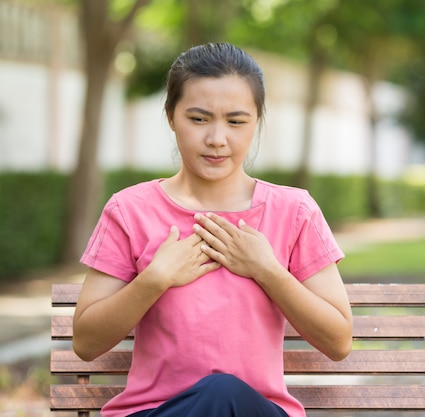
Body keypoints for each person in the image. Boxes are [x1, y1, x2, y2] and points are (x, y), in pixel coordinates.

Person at [72, 42, 353, 417]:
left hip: (255, 411)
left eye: (236, 121)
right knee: (216, 396)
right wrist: (155, 279)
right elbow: (86, 343)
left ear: (256, 121)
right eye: (199, 119)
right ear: (171, 116)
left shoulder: (294, 211)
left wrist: (267, 270)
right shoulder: (130, 210)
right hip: (157, 412)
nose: (217, 139)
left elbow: (338, 342)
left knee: (225, 394)